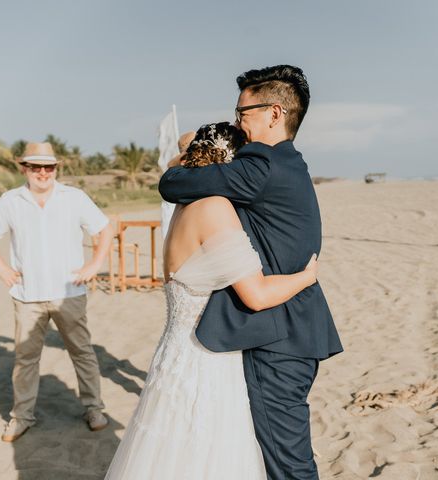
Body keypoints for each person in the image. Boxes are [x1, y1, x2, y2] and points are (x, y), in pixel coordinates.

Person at [105, 122, 318, 480]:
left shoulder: (183, 207)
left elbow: (180, 156)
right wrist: (306, 276)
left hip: (173, 353)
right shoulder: (215, 208)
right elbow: (256, 295)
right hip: (207, 359)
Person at [159, 66, 343, 479]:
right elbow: (197, 146)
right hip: (294, 330)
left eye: (244, 112)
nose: (239, 122)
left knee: (288, 466)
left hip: (277, 337)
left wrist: (179, 163)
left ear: (275, 113)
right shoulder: (287, 163)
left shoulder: (260, 166)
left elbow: (173, 184)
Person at [0, 142, 113, 442]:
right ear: (23, 167)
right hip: (27, 295)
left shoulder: (74, 197)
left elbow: (104, 229)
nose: (42, 172)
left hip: (69, 293)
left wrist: (94, 264)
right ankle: (21, 417)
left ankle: (93, 408)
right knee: (26, 359)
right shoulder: (11, 200)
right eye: (35, 166)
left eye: (47, 167)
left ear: (56, 168)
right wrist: (1, 268)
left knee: (82, 352)